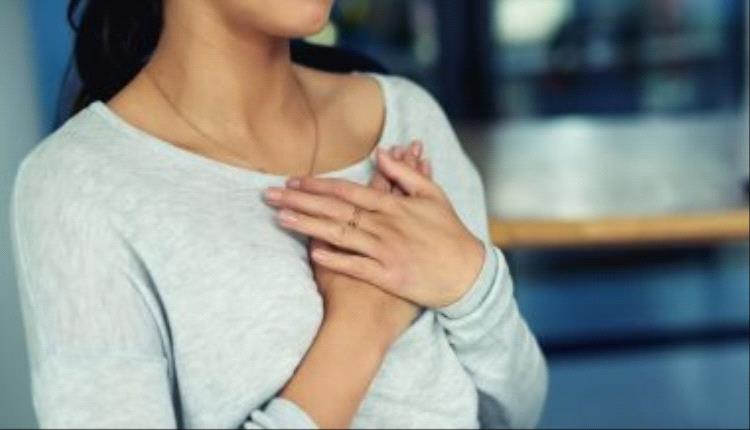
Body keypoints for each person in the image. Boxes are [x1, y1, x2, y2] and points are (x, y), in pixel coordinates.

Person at [9, 1, 547, 428]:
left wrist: (469, 279)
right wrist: (360, 327)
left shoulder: (407, 118)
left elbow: (514, 413)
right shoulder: (78, 187)